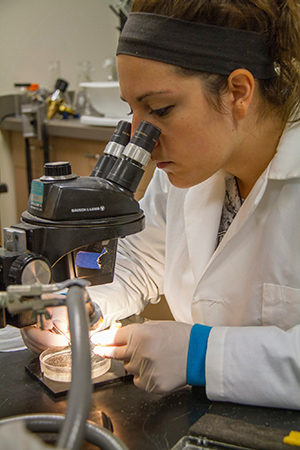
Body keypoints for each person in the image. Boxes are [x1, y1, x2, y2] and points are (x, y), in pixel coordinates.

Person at [21, 0, 300, 409]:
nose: (142, 139)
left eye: (160, 109)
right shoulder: (192, 169)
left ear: (238, 92)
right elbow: (142, 259)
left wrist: (205, 355)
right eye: (131, 110)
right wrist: (83, 307)